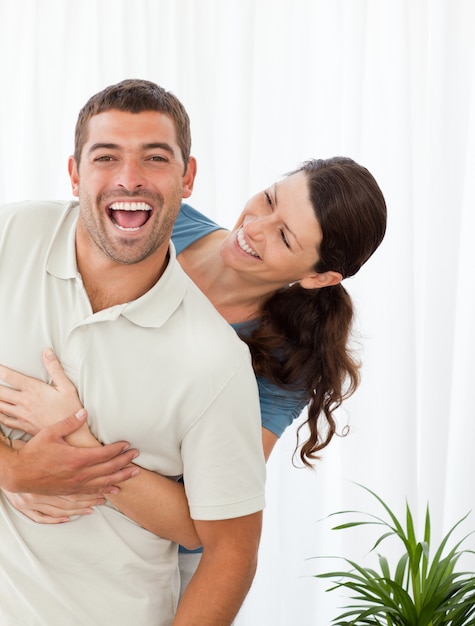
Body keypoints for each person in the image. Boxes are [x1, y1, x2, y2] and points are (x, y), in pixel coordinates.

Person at [0, 157, 387, 596]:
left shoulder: (287, 363)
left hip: (148, 569)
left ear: (320, 277)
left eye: (283, 236)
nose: (256, 226)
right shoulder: (157, 223)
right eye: (269, 199)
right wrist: (16, 469)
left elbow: (202, 522)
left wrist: (72, 450)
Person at [0, 79, 266, 626]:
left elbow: (230, 553)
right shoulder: (9, 236)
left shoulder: (215, 361)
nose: (130, 178)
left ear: (187, 177)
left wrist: (81, 452)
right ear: (75, 174)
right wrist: (15, 470)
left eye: (155, 158)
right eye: (106, 157)